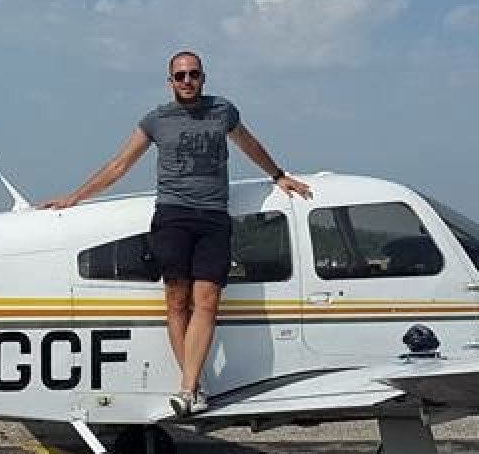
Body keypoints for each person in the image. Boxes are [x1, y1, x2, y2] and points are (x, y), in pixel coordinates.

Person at [40, 51, 312, 414]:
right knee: (177, 301)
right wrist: (75, 197)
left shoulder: (223, 111)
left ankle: (187, 388)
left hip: (214, 216)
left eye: (193, 75)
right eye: (180, 76)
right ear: (170, 81)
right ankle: (193, 384)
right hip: (173, 216)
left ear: (203, 78)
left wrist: (279, 175)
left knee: (208, 302)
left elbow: (249, 144)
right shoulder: (156, 119)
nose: (187, 81)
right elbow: (120, 164)